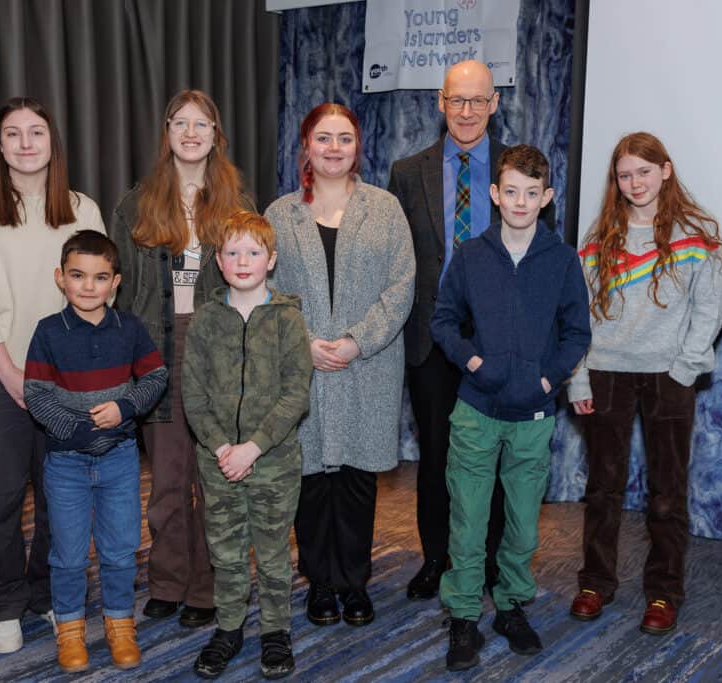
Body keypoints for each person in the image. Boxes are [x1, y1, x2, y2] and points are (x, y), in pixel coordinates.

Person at [0, 96, 105, 653]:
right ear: (0, 146)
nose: (27, 143)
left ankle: (51, 594)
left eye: (37, 132)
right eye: (14, 134)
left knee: (64, 496)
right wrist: (9, 372)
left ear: (53, 141)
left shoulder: (82, 208)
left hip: (67, 378)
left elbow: (98, 288)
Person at [388, 60, 555, 601]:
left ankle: (489, 561)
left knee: (501, 455)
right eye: (456, 100)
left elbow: (541, 261)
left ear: (494, 103)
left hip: (499, 340)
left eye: (477, 101)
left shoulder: (520, 171)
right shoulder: (407, 172)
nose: (466, 111)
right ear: (440, 102)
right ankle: (437, 557)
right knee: (438, 455)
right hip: (432, 339)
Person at [431, 145, 590, 671]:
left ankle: (511, 606)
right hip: (475, 412)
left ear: (546, 198)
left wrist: (548, 377)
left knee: (522, 524)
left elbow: (576, 332)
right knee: (468, 520)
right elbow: (444, 321)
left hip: (533, 417)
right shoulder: (472, 256)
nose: (521, 202)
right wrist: (474, 363)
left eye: (532, 193)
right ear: (495, 195)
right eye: (511, 192)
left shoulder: (563, 261)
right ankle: (461, 618)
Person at [567, 132, 722, 635]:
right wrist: (579, 380)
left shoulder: (696, 239)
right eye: (624, 174)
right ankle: (595, 582)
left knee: (666, 494)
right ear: (615, 181)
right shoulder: (597, 243)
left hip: (669, 379)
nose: (634, 182)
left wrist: (685, 368)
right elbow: (576, 318)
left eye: (643, 171)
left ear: (665, 170)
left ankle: (663, 593)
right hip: (606, 375)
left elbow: (708, 311)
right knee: (603, 490)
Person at [266, 103, 415, 628]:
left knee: (354, 480)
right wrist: (300, 342)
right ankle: (319, 584)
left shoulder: (386, 208)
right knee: (309, 481)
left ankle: (354, 584)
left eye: (344, 138)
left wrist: (357, 341)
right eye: (323, 138)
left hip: (366, 367)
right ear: (305, 145)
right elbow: (262, 287)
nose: (334, 148)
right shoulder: (279, 214)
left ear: (358, 146)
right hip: (301, 365)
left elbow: (402, 286)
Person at [110, 90, 251, 628]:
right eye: (181, 123)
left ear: (217, 135)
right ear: (166, 131)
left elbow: (256, 284)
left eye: (203, 124)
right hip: (157, 352)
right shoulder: (135, 205)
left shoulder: (240, 206)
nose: (191, 133)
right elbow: (120, 294)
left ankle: (208, 586)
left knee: (214, 481)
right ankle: (168, 581)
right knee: (169, 481)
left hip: (217, 352)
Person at [23, 231, 167, 672]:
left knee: (121, 548)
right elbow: (36, 393)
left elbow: (156, 378)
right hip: (65, 461)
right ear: (60, 278)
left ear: (116, 282)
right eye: (78, 275)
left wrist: (125, 407)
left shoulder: (131, 329)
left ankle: (120, 623)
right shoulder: (48, 331)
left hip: (120, 459)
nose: (89, 286)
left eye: (100, 277)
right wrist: (75, 430)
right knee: (67, 552)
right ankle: (69, 629)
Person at [182, 211, 313, 680]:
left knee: (274, 551)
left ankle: (276, 631)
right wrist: (221, 447)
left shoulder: (288, 320)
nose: (242, 261)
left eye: (253, 252)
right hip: (217, 462)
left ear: (270, 260)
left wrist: (252, 448)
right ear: (218, 261)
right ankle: (230, 627)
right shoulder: (205, 321)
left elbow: (296, 393)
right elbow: (193, 394)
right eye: (232, 252)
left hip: (273, 462)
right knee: (226, 549)